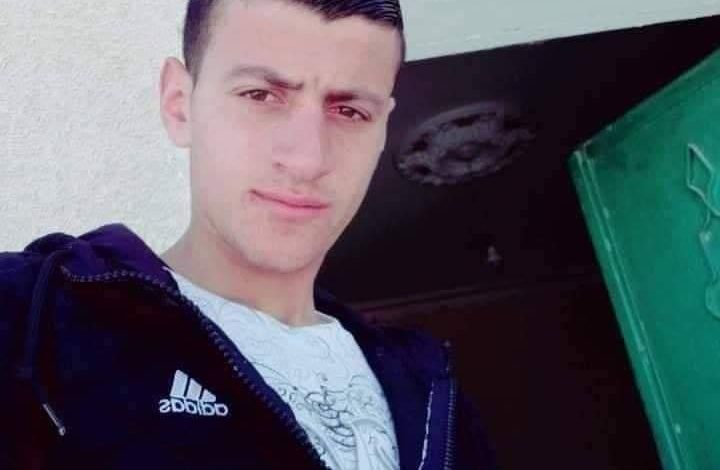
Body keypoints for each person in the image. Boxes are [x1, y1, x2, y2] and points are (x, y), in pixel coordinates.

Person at [0, 1, 495, 468]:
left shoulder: (435, 398)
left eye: (349, 111)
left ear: (382, 129)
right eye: (260, 95)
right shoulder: (30, 318)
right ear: (179, 105)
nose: (307, 159)